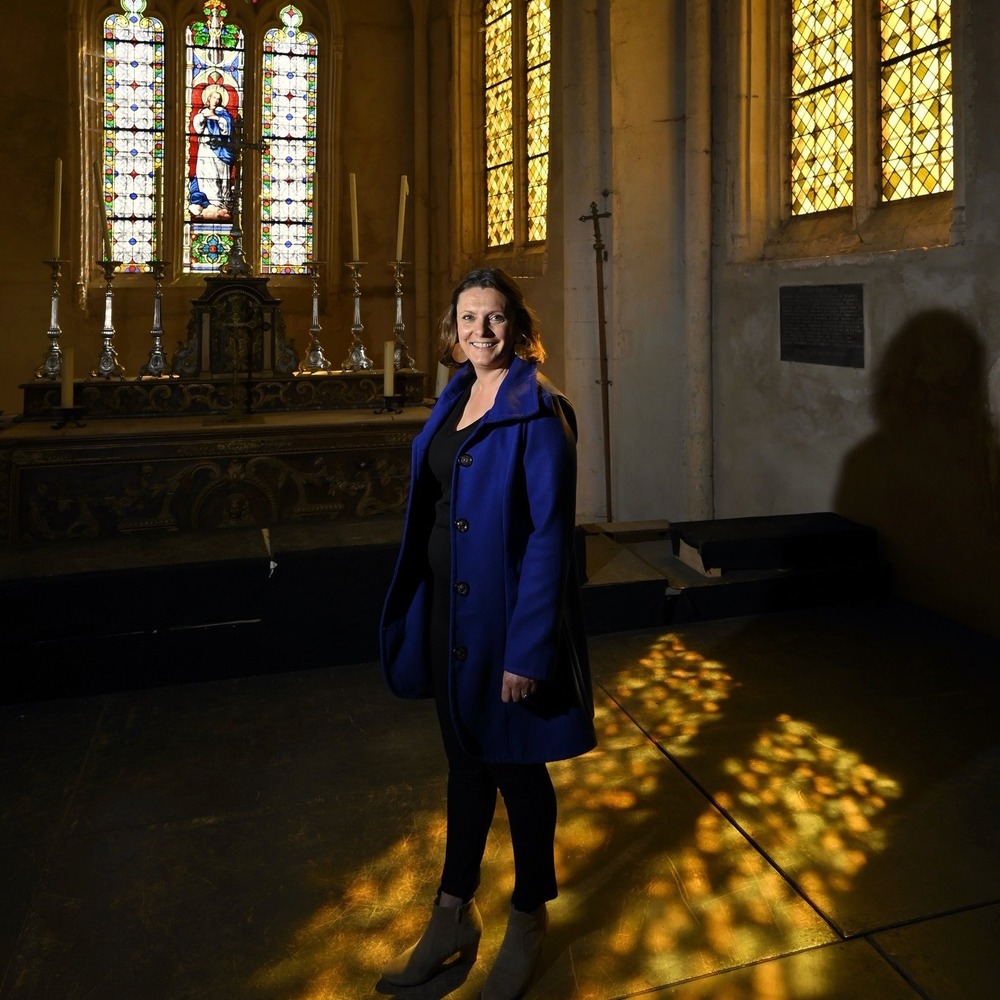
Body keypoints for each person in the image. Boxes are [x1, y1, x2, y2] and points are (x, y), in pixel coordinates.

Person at [380, 267, 597, 999]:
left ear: (518, 325)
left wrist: (528, 649)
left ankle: (529, 914)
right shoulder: (455, 396)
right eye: (469, 318)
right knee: (465, 764)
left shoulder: (539, 410)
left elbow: (549, 537)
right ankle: (451, 914)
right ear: (454, 328)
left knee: (516, 772)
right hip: (449, 616)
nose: (480, 330)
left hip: (505, 625)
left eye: (494, 317)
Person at [189, 84, 234, 220]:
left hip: (221, 149)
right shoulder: (203, 111)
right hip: (206, 149)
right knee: (206, 172)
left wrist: (215, 117)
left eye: (218, 98)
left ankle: (220, 202)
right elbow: (197, 126)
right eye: (214, 97)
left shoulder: (224, 114)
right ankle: (209, 203)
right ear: (208, 99)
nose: (216, 100)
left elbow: (227, 126)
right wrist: (204, 116)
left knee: (220, 174)